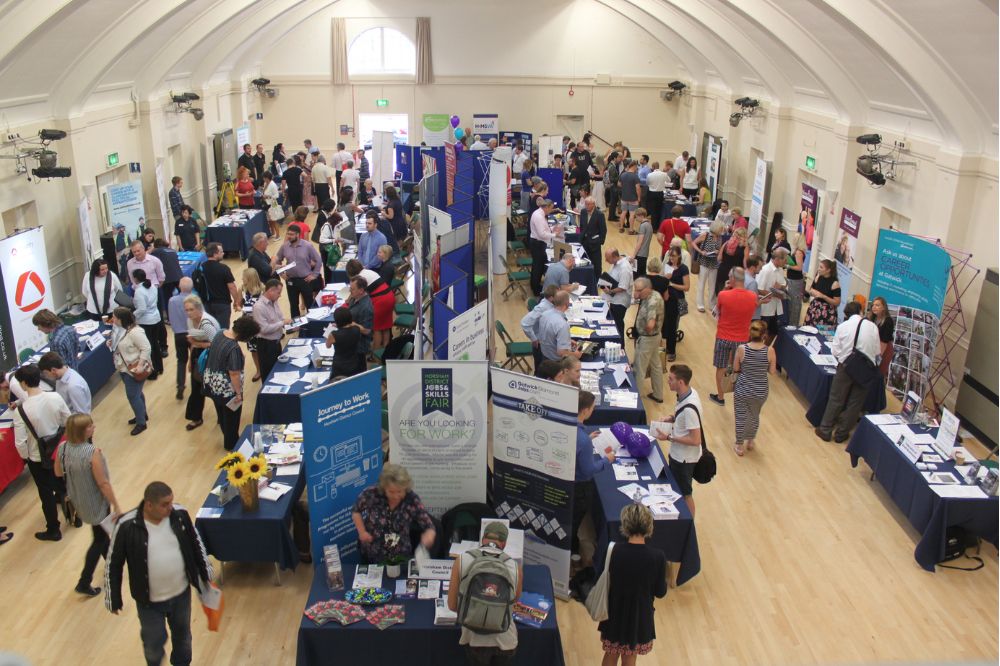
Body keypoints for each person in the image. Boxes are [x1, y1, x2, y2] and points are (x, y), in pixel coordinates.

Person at [105, 481, 213, 666]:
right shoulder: (126, 525)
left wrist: (206, 574)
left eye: (171, 502)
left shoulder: (180, 515)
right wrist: (113, 598)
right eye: (164, 505)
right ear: (149, 505)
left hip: (181, 596)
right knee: (153, 644)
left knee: (183, 639)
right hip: (149, 603)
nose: (170, 508)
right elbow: (113, 564)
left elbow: (196, 543)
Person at [54, 414, 120, 596]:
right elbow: (103, 483)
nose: (94, 427)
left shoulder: (62, 448)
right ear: (82, 431)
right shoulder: (92, 453)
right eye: (90, 426)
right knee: (98, 539)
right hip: (96, 502)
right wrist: (116, 504)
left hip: (79, 499)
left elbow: (58, 472)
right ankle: (84, 581)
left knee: (101, 534)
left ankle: (112, 562)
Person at [597, 503, 667, 665]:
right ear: (649, 526)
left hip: (614, 614)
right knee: (630, 657)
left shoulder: (613, 551)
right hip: (639, 616)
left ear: (625, 524)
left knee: (610, 654)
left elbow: (601, 577)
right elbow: (660, 592)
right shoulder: (658, 557)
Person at [447, 520, 523, 666]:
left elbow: (452, 605)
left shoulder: (461, 560)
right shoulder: (515, 567)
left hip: (474, 640)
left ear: (482, 539)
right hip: (505, 640)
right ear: (504, 544)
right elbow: (514, 602)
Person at [12, 364, 71, 541]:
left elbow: (20, 442)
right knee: (62, 482)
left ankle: (53, 529)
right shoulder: (55, 396)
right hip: (58, 450)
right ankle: (73, 512)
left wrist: (26, 457)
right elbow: (67, 420)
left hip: (37, 457)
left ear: (23, 384)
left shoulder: (21, 410)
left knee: (46, 493)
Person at [815, 301, 880, 443]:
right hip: (866, 369)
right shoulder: (873, 327)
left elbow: (836, 351)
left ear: (846, 314)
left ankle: (825, 430)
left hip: (846, 366)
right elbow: (876, 351)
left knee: (836, 398)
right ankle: (841, 434)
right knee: (855, 403)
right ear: (860, 311)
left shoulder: (843, 327)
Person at [351, 464, 435, 564]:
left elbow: (429, 526)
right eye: (391, 491)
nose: (395, 496)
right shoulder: (372, 494)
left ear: (406, 487)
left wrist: (429, 534)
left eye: (399, 491)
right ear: (384, 487)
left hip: (400, 555)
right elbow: (356, 511)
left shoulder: (412, 499)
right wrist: (362, 532)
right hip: (372, 552)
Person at [203, 315, 259, 451]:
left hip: (211, 382)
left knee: (222, 414)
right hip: (227, 389)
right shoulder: (233, 348)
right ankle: (232, 445)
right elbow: (234, 373)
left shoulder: (219, 333)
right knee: (232, 420)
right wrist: (238, 394)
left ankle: (227, 436)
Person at [709, 267, 757, 406]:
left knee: (721, 367)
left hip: (723, 336)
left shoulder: (723, 295)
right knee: (739, 369)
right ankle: (740, 398)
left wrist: (725, 289)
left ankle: (720, 396)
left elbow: (717, 311)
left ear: (733, 279)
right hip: (742, 339)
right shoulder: (753, 296)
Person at [732, 320, 776, 456]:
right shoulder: (770, 351)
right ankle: (750, 441)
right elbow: (772, 371)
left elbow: (735, 368)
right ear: (764, 335)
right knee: (754, 415)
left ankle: (739, 445)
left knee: (740, 416)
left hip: (743, 388)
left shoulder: (742, 349)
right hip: (760, 390)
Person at [662, 364, 702, 516]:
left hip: (684, 458)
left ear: (680, 382)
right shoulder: (688, 395)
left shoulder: (689, 409)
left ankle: (689, 524)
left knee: (685, 493)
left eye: (671, 379)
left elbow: (695, 439)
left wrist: (669, 437)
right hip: (678, 454)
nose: (668, 381)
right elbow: (682, 419)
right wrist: (671, 418)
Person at [109, 307, 151, 436]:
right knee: (137, 393)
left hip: (134, 369)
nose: (112, 319)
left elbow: (146, 348)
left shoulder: (135, 332)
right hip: (124, 368)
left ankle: (141, 423)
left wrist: (140, 365)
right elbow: (122, 345)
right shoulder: (122, 330)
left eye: (114, 317)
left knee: (132, 395)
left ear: (121, 319)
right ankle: (142, 414)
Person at [272, 225, 322, 319]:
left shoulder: (307, 246)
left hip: (306, 280)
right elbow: (278, 259)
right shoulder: (284, 246)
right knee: (293, 304)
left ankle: (312, 323)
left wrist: (314, 275)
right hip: (291, 280)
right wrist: (281, 273)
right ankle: (295, 326)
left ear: (298, 234)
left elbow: (318, 260)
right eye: (288, 234)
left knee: (309, 303)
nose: (289, 236)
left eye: (291, 234)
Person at [630, 277, 665, 403]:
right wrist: (637, 294)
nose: (637, 293)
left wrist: (644, 332)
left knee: (640, 368)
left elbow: (650, 324)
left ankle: (635, 398)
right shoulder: (653, 294)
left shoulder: (652, 302)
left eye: (639, 290)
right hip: (655, 337)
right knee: (656, 365)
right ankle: (658, 394)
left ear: (648, 289)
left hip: (648, 339)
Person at [252, 279, 290, 384]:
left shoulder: (274, 302)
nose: (280, 296)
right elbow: (263, 329)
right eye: (278, 293)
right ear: (271, 291)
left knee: (278, 372)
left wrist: (290, 325)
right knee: (268, 374)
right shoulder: (259, 307)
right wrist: (282, 323)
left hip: (276, 343)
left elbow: (280, 318)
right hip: (266, 346)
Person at [132, 269, 164, 380]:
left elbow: (141, 309)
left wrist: (132, 316)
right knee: (155, 344)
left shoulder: (139, 291)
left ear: (135, 278)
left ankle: (152, 371)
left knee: (148, 347)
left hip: (146, 321)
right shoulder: (153, 287)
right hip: (155, 318)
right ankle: (159, 367)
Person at [198, 242, 238, 329]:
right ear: (215, 254)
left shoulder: (200, 268)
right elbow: (232, 287)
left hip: (206, 305)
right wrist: (236, 301)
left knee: (211, 330)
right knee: (223, 331)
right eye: (221, 252)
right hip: (222, 304)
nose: (223, 253)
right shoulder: (224, 268)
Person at [661, 246, 690, 362]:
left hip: (676, 300)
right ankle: (665, 347)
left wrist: (671, 284)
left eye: (673, 255)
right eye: (670, 255)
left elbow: (686, 287)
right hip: (666, 299)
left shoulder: (683, 269)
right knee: (664, 323)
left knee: (672, 326)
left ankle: (671, 351)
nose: (671, 258)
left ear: (679, 256)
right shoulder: (667, 265)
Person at [520, 285, 559, 371]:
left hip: (545, 343)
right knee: (540, 370)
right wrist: (534, 338)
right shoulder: (542, 308)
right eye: (558, 296)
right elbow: (525, 323)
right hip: (540, 346)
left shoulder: (548, 304)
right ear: (552, 298)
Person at [536, 292, 580, 366]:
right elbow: (562, 353)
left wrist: (566, 340)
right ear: (567, 304)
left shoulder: (544, 314)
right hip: (557, 364)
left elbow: (548, 335)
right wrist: (576, 355)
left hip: (544, 357)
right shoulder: (562, 325)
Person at [690, 218, 724, 313]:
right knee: (701, 284)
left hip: (714, 263)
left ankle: (712, 304)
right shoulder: (705, 235)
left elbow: (719, 248)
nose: (722, 231)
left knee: (712, 285)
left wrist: (718, 251)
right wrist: (701, 251)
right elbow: (693, 243)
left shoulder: (719, 238)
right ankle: (700, 304)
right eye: (721, 229)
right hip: (704, 262)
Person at [167, 278, 193, 400]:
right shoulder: (195, 300)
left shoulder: (172, 300)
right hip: (193, 334)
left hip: (179, 335)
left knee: (181, 361)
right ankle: (197, 384)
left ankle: (180, 385)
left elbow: (171, 318)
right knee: (196, 360)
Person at [529, 199, 561, 295]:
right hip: (537, 243)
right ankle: (536, 289)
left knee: (537, 266)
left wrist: (551, 229)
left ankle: (534, 284)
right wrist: (554, 235)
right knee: (538, 267)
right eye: (551, 208)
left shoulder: (540, 214)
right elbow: (542, 234)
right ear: (546, 207)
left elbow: (543, 229)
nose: (551, 210)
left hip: (538, 242)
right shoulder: (539, 216)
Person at [756, 247, 789, 340]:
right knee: (761, 333)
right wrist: (775, 294)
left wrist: (781, 287)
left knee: (774, 333)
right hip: (765, 308)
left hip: (775, 308)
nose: (786, 262)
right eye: (785, 260)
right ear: (777, 259)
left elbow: (784, 284)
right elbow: (759, 289)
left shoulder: (780, 269)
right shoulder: (766, 270)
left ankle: (765, 351)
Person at [325, 307, 365, 379]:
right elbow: (362, 329)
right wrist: (354, 324)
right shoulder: (356, 330)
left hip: (339, 366)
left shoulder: (333, 334)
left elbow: (328, 346)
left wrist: (329, 331)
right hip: (354, 363)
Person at [603, 249, 633, 340]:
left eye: (607, 258)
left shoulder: (625, 268)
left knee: (618, 324)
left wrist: (610, 291)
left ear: (614, 257)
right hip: (614, 299)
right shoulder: (615, 263)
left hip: (620, 302)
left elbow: (623, 287)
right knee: (612, 322)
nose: (606, 261)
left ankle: (621, 345)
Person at [241, 268, 264, 381]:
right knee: (253, 350)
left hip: (259, 327)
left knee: (261, 350)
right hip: (249, 328)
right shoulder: (245, 292)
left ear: (249, 279)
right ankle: (258, 370)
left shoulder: (261, 293)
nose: (241, 279)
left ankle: (264, 369)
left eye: (244, 277)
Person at [803, 259, 842, 327]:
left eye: (821, 267)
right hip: (814, 308)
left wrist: (823, 296)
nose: (818, 269)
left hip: (827, 312)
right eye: (819, 266)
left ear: (828, 270)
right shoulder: (818, 276)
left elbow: (837, 302)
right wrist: (811, 292)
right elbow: (812, 289)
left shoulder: (835, 283)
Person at [344, 276, 374, 360]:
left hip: (359, 346)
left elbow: (367, 331)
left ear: (361, 290)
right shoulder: (355, 297)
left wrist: (351, 324)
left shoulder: (366, 308)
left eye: (352, 289)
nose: (350, 291)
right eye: (350, 288)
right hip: (351, 339)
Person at [578, 196, 607, 278]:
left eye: (588, 204)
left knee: (596, 264)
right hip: (584, 241)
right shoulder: (583, 211)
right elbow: (582, 226)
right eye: (585, 204)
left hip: (595, 243)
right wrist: (581, 236)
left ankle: (597, 280)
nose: (586, 206)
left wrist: (600, 241)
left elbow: (603, 230)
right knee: (583, 262)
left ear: (593, 204)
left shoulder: (599, 214)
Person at [714, 227, 748, 296]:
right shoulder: (745, 248)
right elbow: (745, 265)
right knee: (732, 297)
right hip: (735, 275)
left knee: (721, 294)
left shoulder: (726, 244)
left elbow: (719, 258)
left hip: (722, 271)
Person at [869, 296, 895, 377]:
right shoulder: (873, 318)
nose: (874, 307)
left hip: (884, 349)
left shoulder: (888, 321)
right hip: (875, 347)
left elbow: (884, 342)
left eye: (877, 305)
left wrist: (877, 359)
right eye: (873, 305)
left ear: (883, 307)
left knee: (878, 373)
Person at [785, 232, 807, 327]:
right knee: (792, 300)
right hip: (793, 278)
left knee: (794, 302)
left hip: (795, 280)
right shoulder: (797, 250)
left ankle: (793, 323)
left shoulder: (799, 252)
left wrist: (788, 265)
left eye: (795, 238)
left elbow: (799, 267)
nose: (793, 239)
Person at [618, 160, 641, 233]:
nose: (637, 168)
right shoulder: (635, 176)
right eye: (636, 167)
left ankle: (621, 228)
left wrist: (625, 186)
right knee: (632, 214)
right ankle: (631, 230)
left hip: (624, 197)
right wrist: (639, 197)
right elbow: (638, 188)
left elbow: (619, 184)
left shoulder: (623, 174)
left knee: (623, 212)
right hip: (633, 198)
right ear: (634, 166)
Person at [631, 208, 653, 277]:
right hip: (645, 254)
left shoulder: (643, 226)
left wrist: (633, 255)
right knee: (643, 275)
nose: (636, 219)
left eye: (636, 216)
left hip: (640, 254)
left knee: (636, 276)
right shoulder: (649, 225)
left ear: (641, 216)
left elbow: (639, 242)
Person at [262, 171, 282, 238]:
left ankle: (278, 235)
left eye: (264, 178)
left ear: (267, 178)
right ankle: (272, 232)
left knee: (274, 220)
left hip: (273, 203)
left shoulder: (273, 185)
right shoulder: (265, 183)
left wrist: (267, 196)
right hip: (267, 204)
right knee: (270, 220)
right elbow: (264, 192)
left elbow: (276, 195)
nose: (263, 179)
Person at [744, 257, 762, 321]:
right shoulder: (752, 282)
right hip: (752, 315)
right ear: (752, 267)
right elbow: (754, 303)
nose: (761, 269)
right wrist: (763, 301)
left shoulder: (742, 275)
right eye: (760, 267)